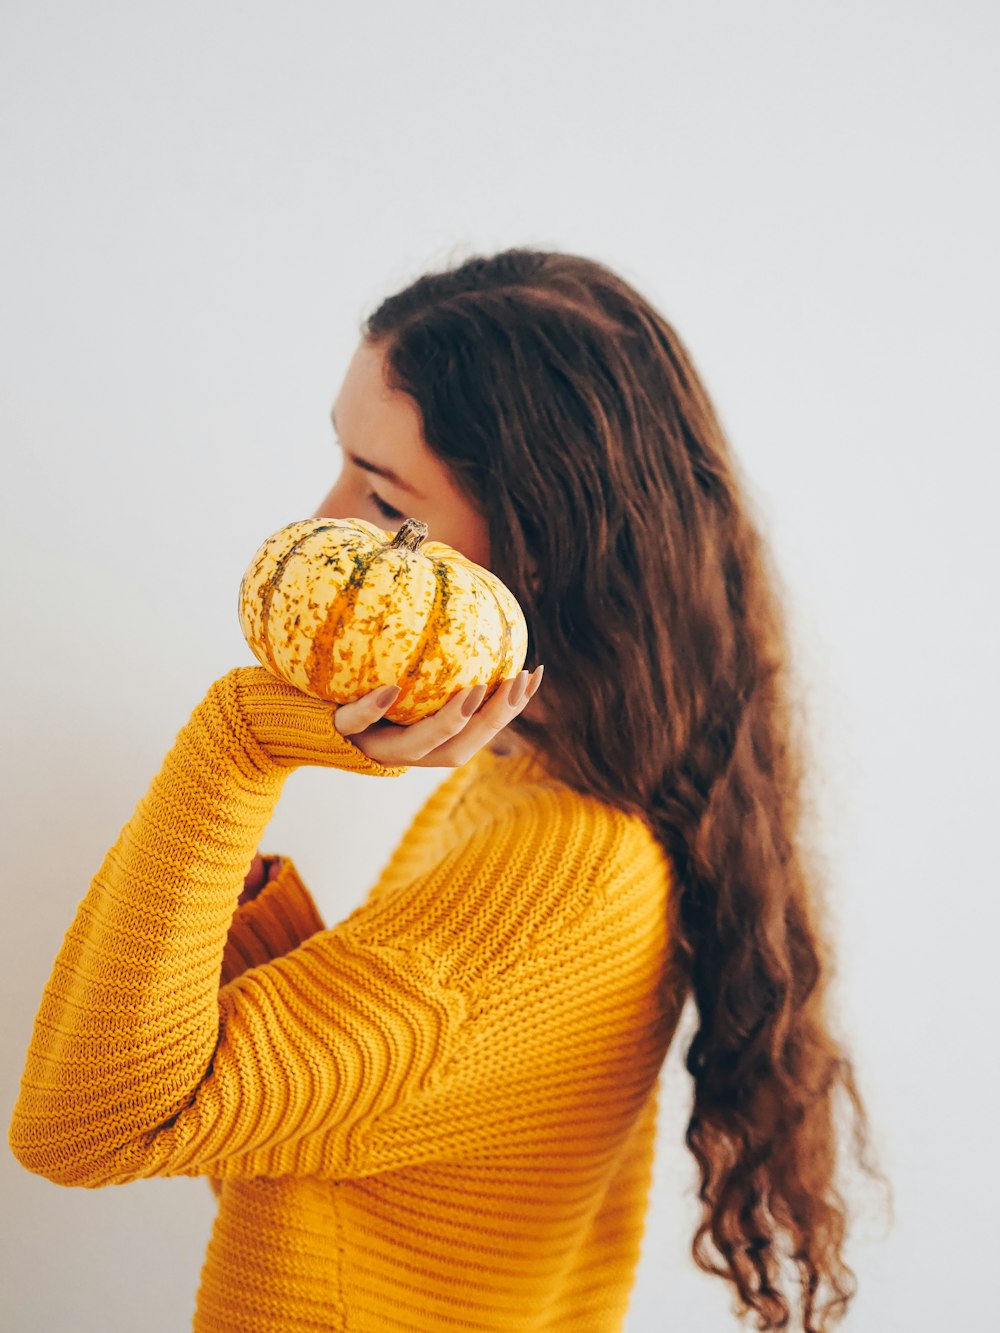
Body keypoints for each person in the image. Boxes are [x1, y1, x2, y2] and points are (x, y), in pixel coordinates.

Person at [9, 246, 886, 1332]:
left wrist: (239, 747)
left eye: (383, 501)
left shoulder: (560, 873)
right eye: (339, 463)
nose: (323, 523)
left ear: (543, 546)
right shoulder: (527, 789)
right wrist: (243, 893)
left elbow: (81, 1124)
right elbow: (347, 1127)